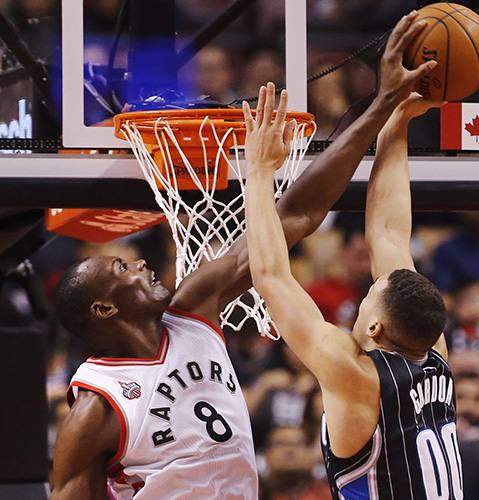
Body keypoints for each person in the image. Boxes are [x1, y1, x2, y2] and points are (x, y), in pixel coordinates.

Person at [47, 13, 435, 500]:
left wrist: (380, 107)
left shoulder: (194, 306)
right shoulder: (96, 408)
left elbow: (296, 213)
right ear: (104, 308)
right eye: (121, 268)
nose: (141, 262)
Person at [244, 73, 461, 500]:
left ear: (376, 327)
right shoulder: (435, 354)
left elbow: (271, 277)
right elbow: (389, 235)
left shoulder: (357, 375)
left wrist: (259, 168)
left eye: (367, 299)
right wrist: (395, 125)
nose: (363, 297)